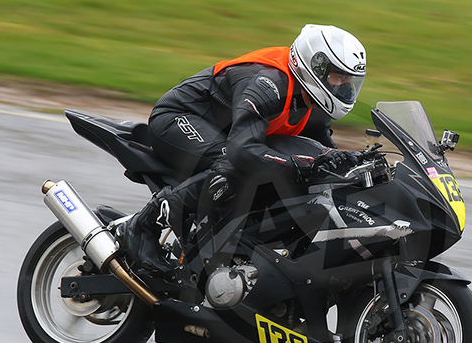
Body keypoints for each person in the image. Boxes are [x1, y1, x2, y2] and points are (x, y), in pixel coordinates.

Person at [116, 24, 367, 274]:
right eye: (338, 76)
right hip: (178, 117)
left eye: (350, 81)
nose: (344, 87)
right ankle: (144, 224)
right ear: (316, 67)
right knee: (238, 165)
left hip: (227, 134)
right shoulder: (267, 84)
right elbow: (243, 150)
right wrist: (297, 165)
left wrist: (354, 164)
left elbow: (323, 154)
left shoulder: (314, 106)